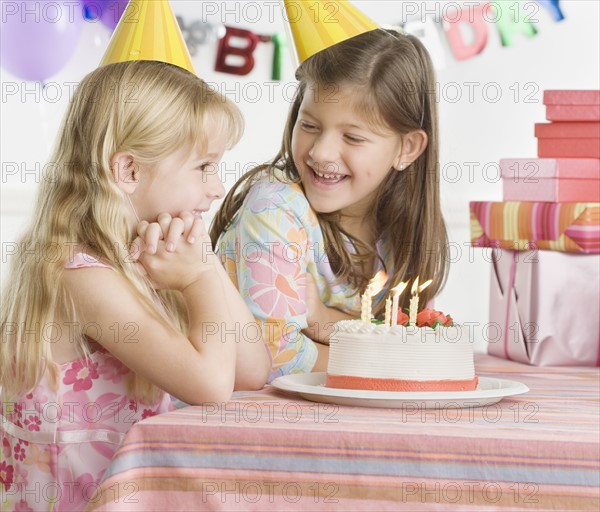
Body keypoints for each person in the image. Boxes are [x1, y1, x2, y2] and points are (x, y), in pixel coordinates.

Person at [0, 60, 270, 511]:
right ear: (128, 171)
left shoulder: (145, 257)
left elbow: (250, 372)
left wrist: (203, 261)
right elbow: (211, 387)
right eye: (204, 166)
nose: (217, 187)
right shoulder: (80, 276)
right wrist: (199, 278)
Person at [211, 28, 449, 382]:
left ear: (407, 148)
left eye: (352, 137)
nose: (320, 152)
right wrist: (385, 358)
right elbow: (274, 358)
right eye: (308, 125)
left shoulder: (403, 231)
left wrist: (325, 323)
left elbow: (415, 337)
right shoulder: (275, 205)